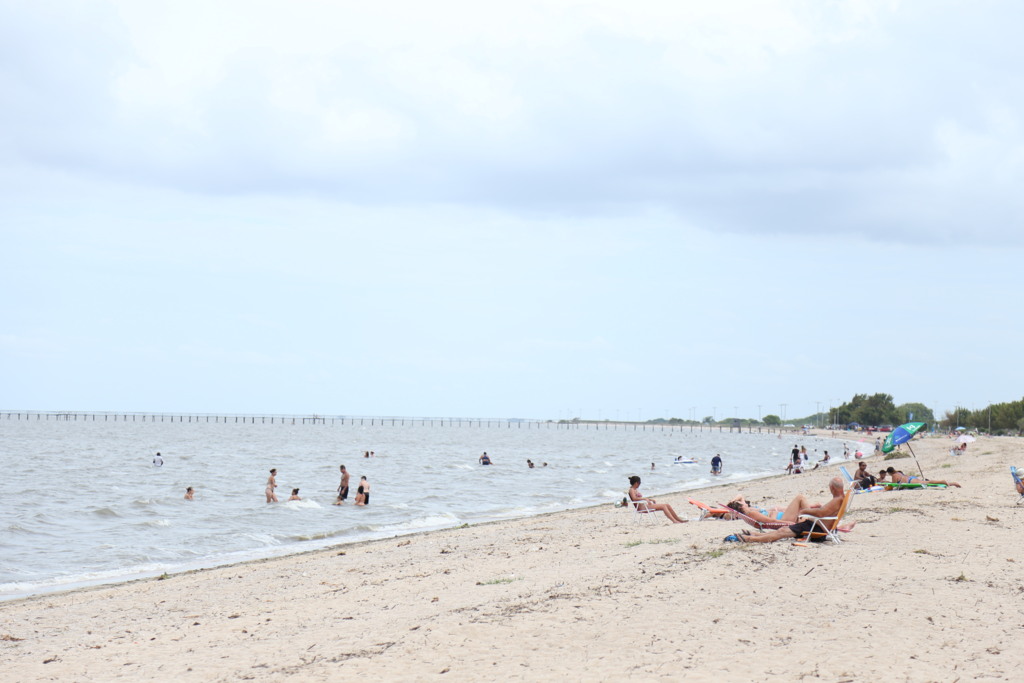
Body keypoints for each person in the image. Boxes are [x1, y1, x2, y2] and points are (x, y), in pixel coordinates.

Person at [729, 478, 852, 543]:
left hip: (816, 529)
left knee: (782, 532)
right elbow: (823, 512)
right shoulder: (840, 499)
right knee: (783, 531)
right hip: (816, 526)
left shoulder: (836, 500)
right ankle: (756, 535)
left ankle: (751, 539)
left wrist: (805, 511)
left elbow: (821, 513)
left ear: (832, 487)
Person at [883, 467, 961, 488]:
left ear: (890, 472)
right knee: (928, 483)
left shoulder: (893, 475)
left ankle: (942, 481)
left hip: (910, 481)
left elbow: (894, 485)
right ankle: (953, 483)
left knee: (928, 482)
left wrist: (886, 484)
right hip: (911, 478)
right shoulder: (899, 472)